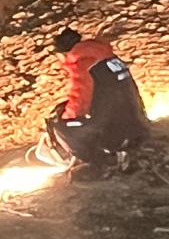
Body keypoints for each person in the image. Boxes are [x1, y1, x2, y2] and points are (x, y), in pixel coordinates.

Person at [42, 28, 149, 174]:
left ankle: (100, 163)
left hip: (113, 127)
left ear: (63, 53)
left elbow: (79, 97)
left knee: (62, 126)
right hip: (135, 120)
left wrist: (66, 118)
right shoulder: (107, 57)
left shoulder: (82, 63)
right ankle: (122, 151)